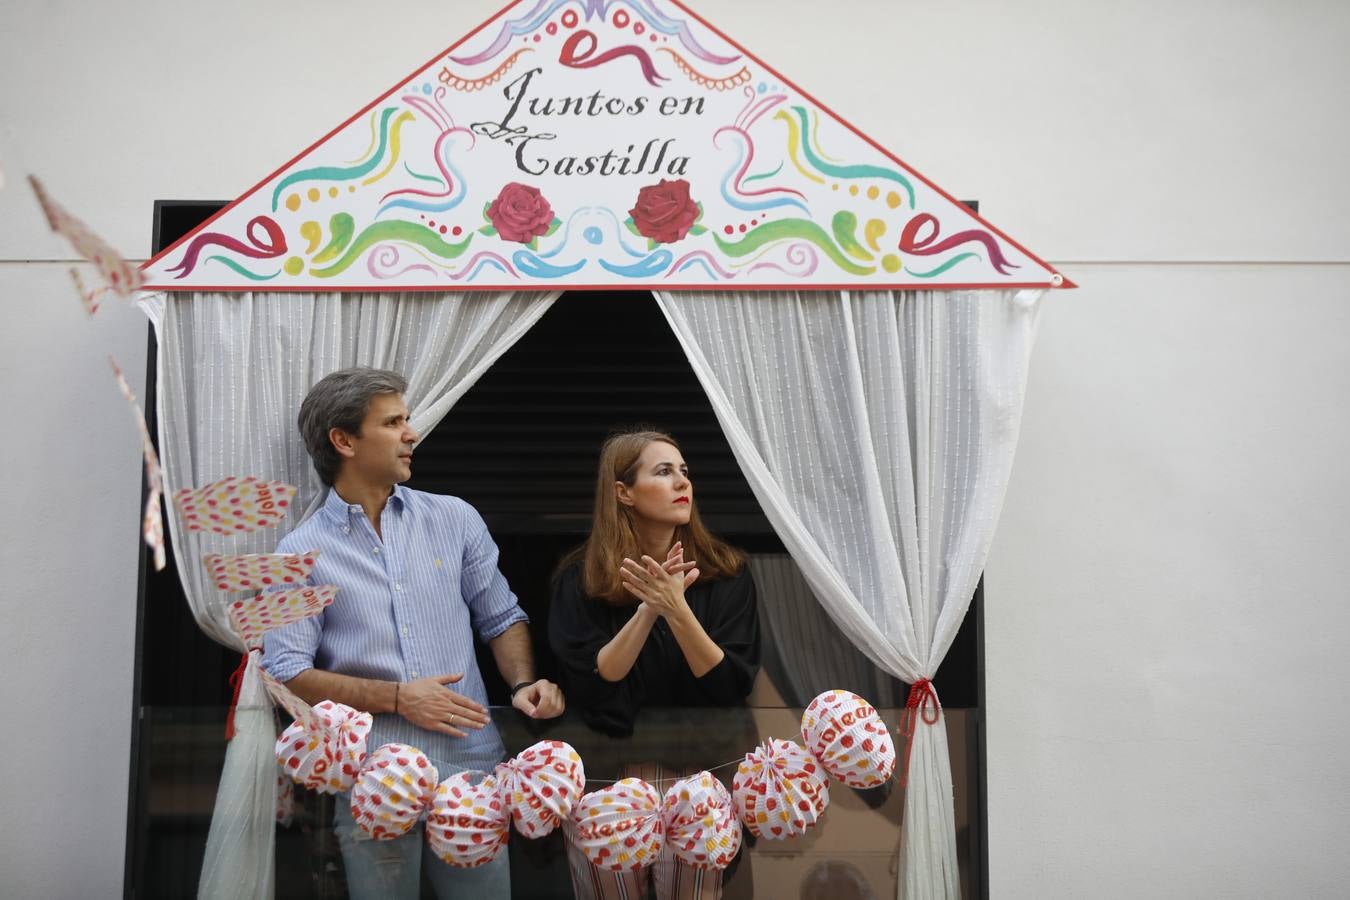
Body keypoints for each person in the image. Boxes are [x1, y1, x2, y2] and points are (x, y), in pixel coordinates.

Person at [262, 367, 565, 900]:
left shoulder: (456, 519)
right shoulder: (295, 555)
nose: (412, 433)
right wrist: (399, 698)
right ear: (344, 440)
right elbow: (287, 672)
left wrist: (522, 685)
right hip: (371, 779)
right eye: (394, 421)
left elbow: (502, 618)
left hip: (472, 771)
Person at [549, 430, 760, 899]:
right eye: (663, 472)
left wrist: (678, 610)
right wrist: (649, 608)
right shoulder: (579, 578)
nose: (682, 482)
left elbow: (731, 682)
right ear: (623, 492)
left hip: (700, 776)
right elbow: (596, 680)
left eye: (684, 471)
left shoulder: (726, 573)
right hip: (607, 778)